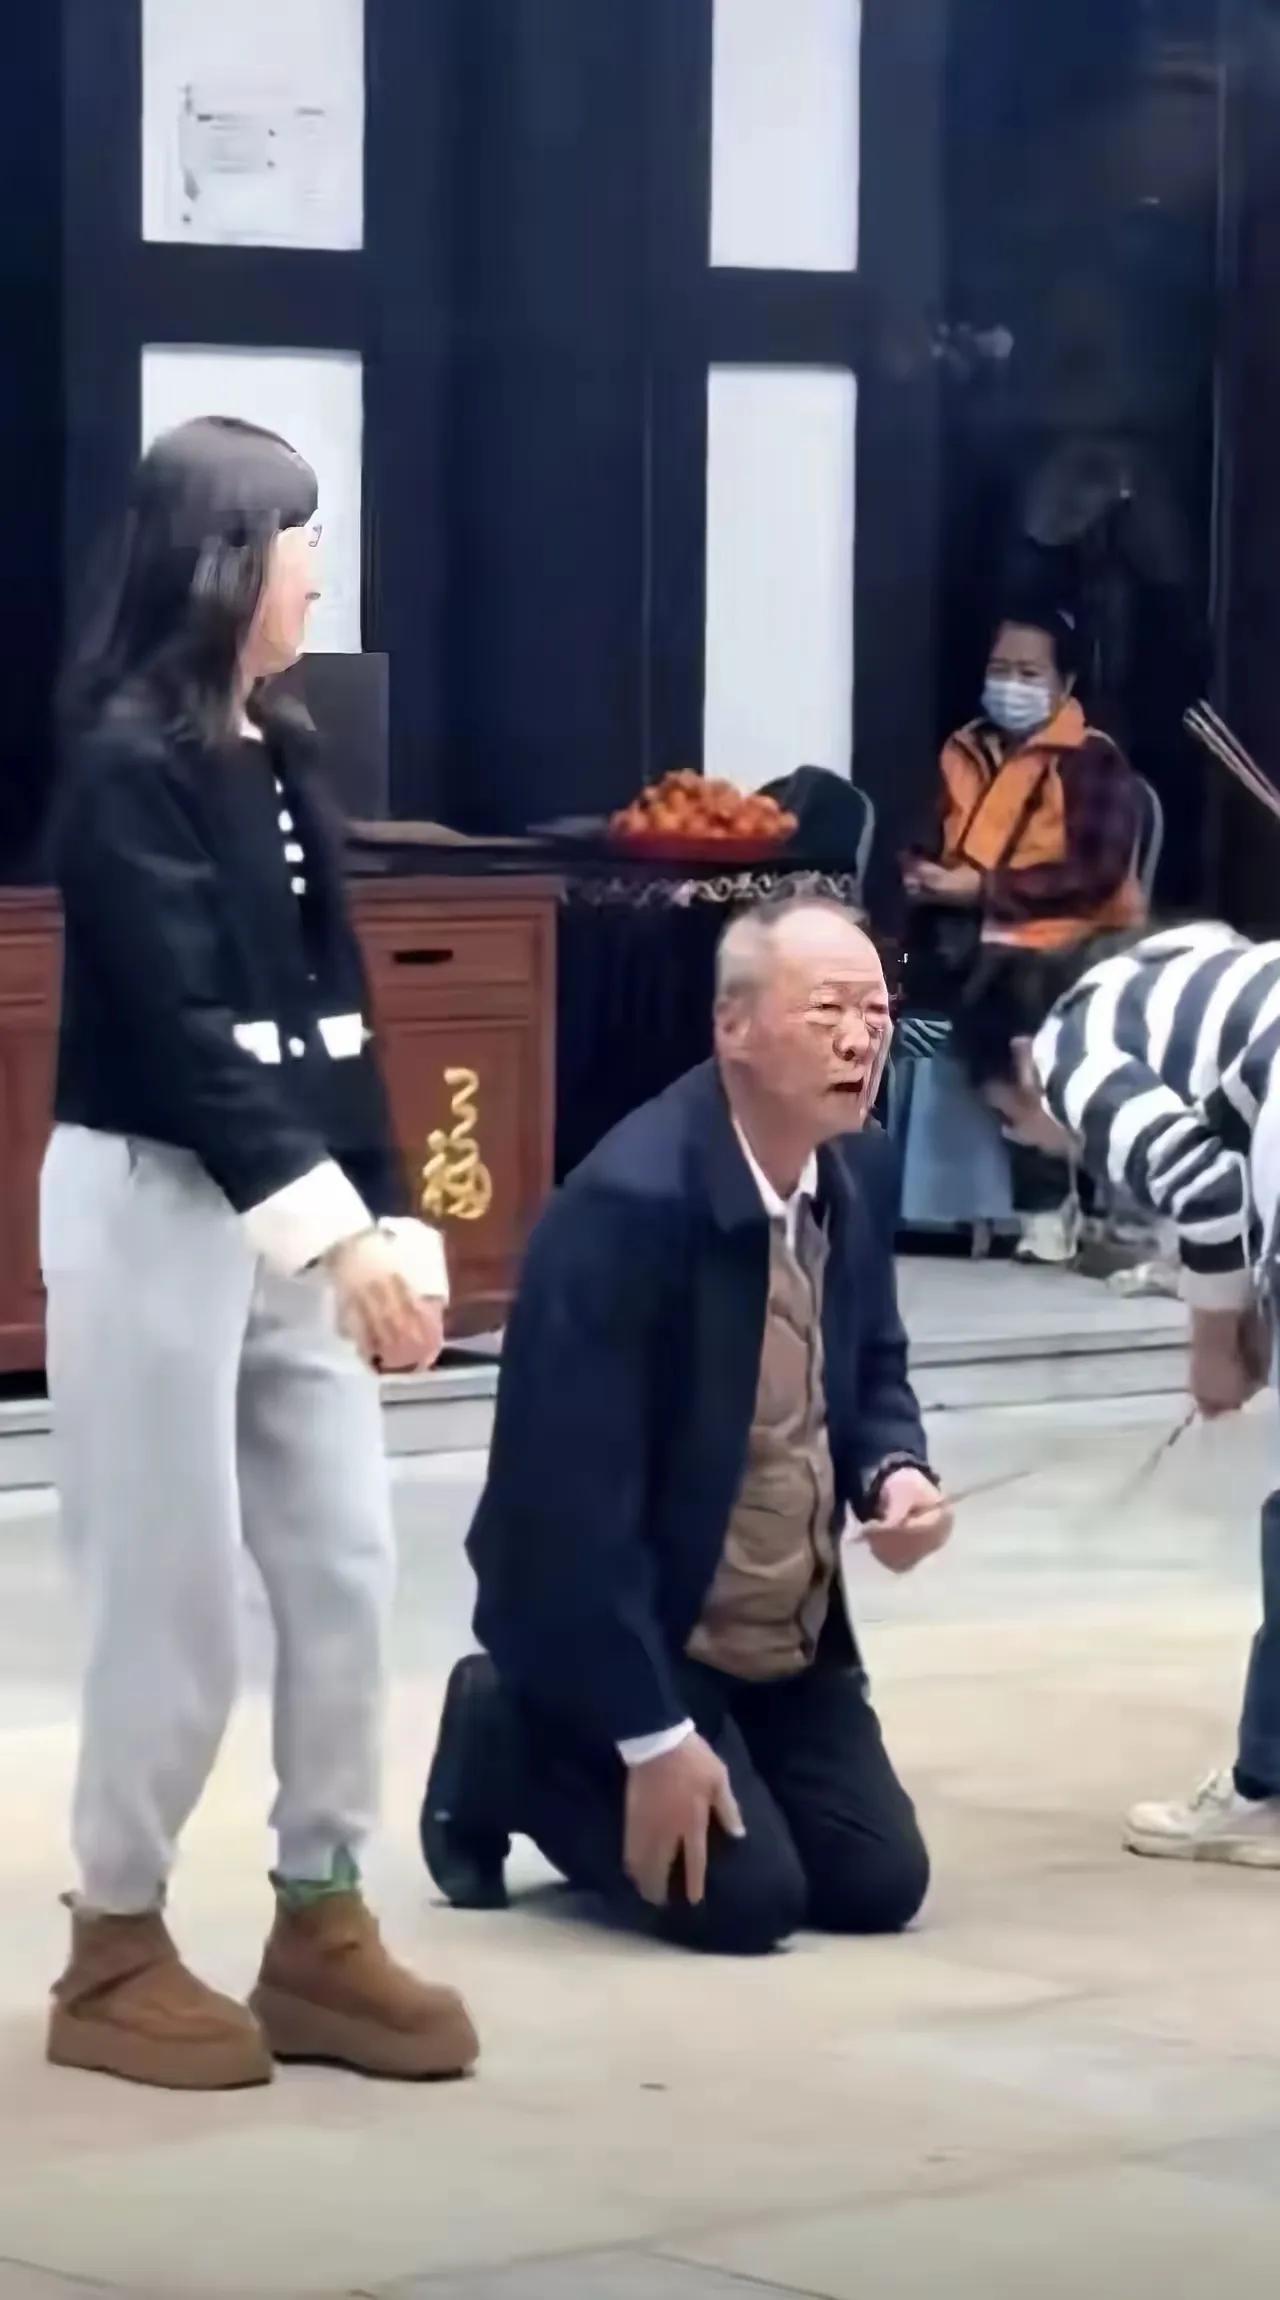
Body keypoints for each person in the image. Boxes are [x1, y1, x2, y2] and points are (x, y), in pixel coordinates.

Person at [42, 416, 479, 2089]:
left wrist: (393, 1221)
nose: (317, 576)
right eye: (303, 545)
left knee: (347, 1563)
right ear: (227, 562)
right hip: (153, 1196)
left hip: (295, 1202)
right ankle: (115, 1939)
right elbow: (188, 1036)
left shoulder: (287, 753)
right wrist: (331, 1231)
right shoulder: (122, 766)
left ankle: (322, 1913)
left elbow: (332, 1015)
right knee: (167, 1593)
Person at [421, 898, 950, 1955]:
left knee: (875, 1883)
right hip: (633, 1634)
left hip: (777, 1636)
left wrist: (893, 1471)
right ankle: (509, 1732)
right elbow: (564, 1509)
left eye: (876, 1011)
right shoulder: (625, 1210)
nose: (861, 1040)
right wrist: (651, 1733)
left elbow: (871, 1360)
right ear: (732, 1026)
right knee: (746, 1905)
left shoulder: (857, 1164)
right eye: (827, 1012)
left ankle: (727, 1747)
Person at [1032, 919, 1280, 1865]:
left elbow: (1207, 1188)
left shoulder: (1069, 1040)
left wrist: (1215, 1347)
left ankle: (1270, 1785)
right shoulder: (1205, 964)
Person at [903, 606, 1144, 1264]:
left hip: (1073, 940)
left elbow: (1095, 874)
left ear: (1065, 683)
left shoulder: (1092, 761)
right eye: (1000, 668)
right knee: (872, 982)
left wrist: (986, 889)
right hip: (967, 935)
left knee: (999, 1012)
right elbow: (926, 834)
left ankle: (1046, 1198)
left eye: (1029, 672)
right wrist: (922, 871)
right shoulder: (962, 752)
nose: (1010, 683)